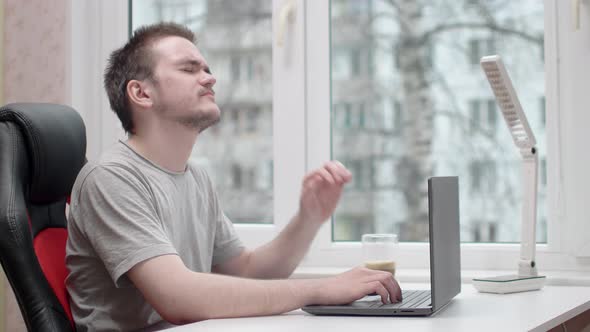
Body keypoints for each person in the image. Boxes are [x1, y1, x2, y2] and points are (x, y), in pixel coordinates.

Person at [65, 22, 402, 331]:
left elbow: (247, 272)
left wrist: (309, 218)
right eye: (189, 68)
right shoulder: (110, 178)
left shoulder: (195, 177)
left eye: (207, 69)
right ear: (141, 93)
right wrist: (320, 289)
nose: (210, 78)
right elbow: (179, 298)